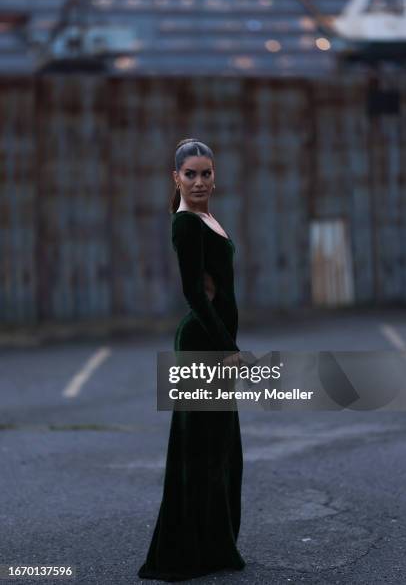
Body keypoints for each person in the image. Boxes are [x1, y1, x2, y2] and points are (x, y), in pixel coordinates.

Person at [138, 138, 246, 581]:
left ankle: (214, 546)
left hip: (213, 340)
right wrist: (228, 348)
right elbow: (192, 295)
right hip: (203, 344)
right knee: (198, 450)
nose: (199, 181)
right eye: (190, 174)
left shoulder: (206, 217)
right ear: (176, 178)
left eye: (206, 173)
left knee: (220, 449)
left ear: (214, 176)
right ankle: (183, 553)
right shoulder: (185, 224)